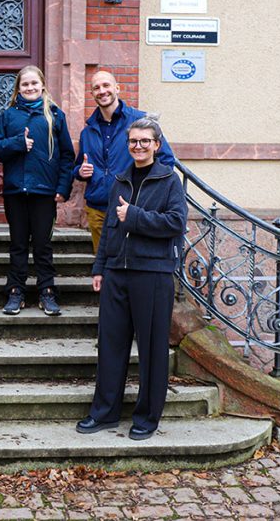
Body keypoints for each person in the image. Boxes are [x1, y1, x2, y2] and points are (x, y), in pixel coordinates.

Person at [76, 115, 187, 441]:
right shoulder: (121, 181)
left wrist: (135, 217)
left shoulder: (169, 180)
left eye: (144, 141)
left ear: (156, 145)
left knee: (152, 351)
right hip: (117, 274)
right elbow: (111, 228)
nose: (138, 146)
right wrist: (99, 268)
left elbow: (175, 224)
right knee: (110, 346)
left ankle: (147, 418)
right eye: (133, 142)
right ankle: (105, 412)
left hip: (153, 275)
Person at [0, 65, 75, 316]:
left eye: (34, 84)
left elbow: (67, 156)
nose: (30, 88)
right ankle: (15, 291)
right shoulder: (8, 116)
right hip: (16, 191)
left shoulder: (55, 116)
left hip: (44, 191)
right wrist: (17, 143)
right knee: (17, 244)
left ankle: (47, 291)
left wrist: (62, 188)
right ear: (18, 89)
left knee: (42, 244)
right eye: (25, 85)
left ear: (42, 86)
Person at [76, 70, 176, 253]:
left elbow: (166, 160)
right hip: (97, 209)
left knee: (132, 262)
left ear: (117, 88)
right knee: (104, 265)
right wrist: (80, 172)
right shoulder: (87, 132)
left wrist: (149, 194)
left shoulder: (139, 121)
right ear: (92, 94)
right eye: (96, 88)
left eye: (106, 85)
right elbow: (77, 166)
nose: (102, 91)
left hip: (131, 207)